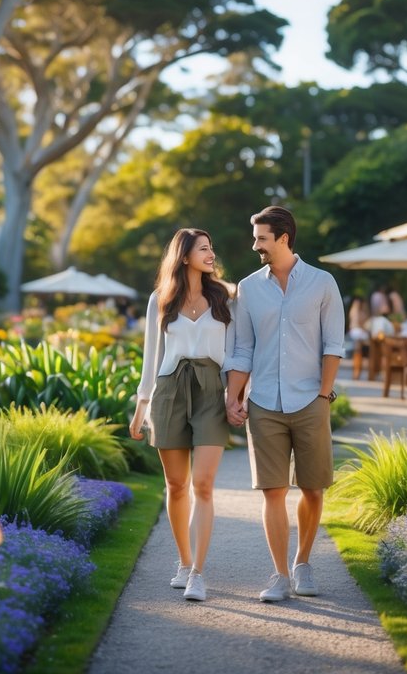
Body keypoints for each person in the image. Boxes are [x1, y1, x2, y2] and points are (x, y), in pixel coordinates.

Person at [224, 206, 344, 603]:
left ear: (283, 238)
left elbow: (333, 346)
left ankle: (303, 563)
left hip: (311, 399)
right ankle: (279, 574)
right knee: (272, 491)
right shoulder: (248, 288)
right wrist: (234, 396)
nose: (254, 244)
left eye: (261, 238)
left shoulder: (323, 283)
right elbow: (243, 348)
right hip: (265, 404)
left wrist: (324, 394)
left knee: (312, 489)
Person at [129, 228, 234, 603]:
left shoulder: (225, 297)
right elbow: (151, 358)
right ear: (185, 255)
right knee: (176, 486)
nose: (211, 253)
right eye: (203, 248)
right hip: (169, 391)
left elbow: (236, 354)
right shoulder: (161, 299)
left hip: (211, 391)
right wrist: (141, 407)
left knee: (203, 484)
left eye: (212, 247)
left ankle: (199, 574)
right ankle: (184, 562)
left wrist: (239, 396)